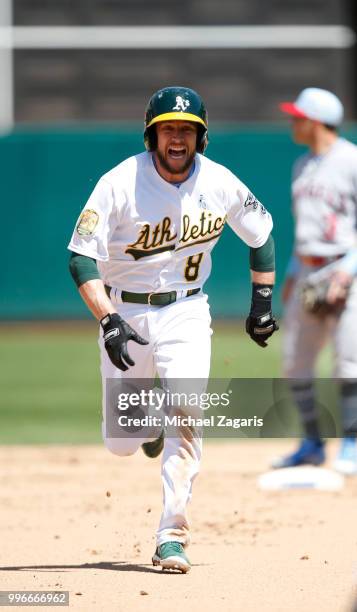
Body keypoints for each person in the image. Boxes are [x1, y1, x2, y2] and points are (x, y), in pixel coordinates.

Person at [68, 86, 277, 573]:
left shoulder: (220, 181)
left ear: (200, 138)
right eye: (168, 129)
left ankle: (171, 535)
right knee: (122, 440)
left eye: (186, 129)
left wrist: (262, 303)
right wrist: (109, 320)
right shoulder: (120, 182)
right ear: (152, 135)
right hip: (125, 313)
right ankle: (145, 428)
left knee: (187, 410)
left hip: (187, 312)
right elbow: (81, 255)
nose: (177, 138)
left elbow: (261, 235)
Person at [273, 87, 357, 474]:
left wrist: (347, 270)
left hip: (347, 266)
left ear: (316, 120)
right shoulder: (300, 165)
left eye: (297, 115)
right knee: (295, 361)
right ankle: (310, 443)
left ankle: (353, 443)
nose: (293, 121)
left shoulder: (351, 160)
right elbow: (303, 230)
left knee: (349, 360)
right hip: (307, 269)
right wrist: (292, 273)